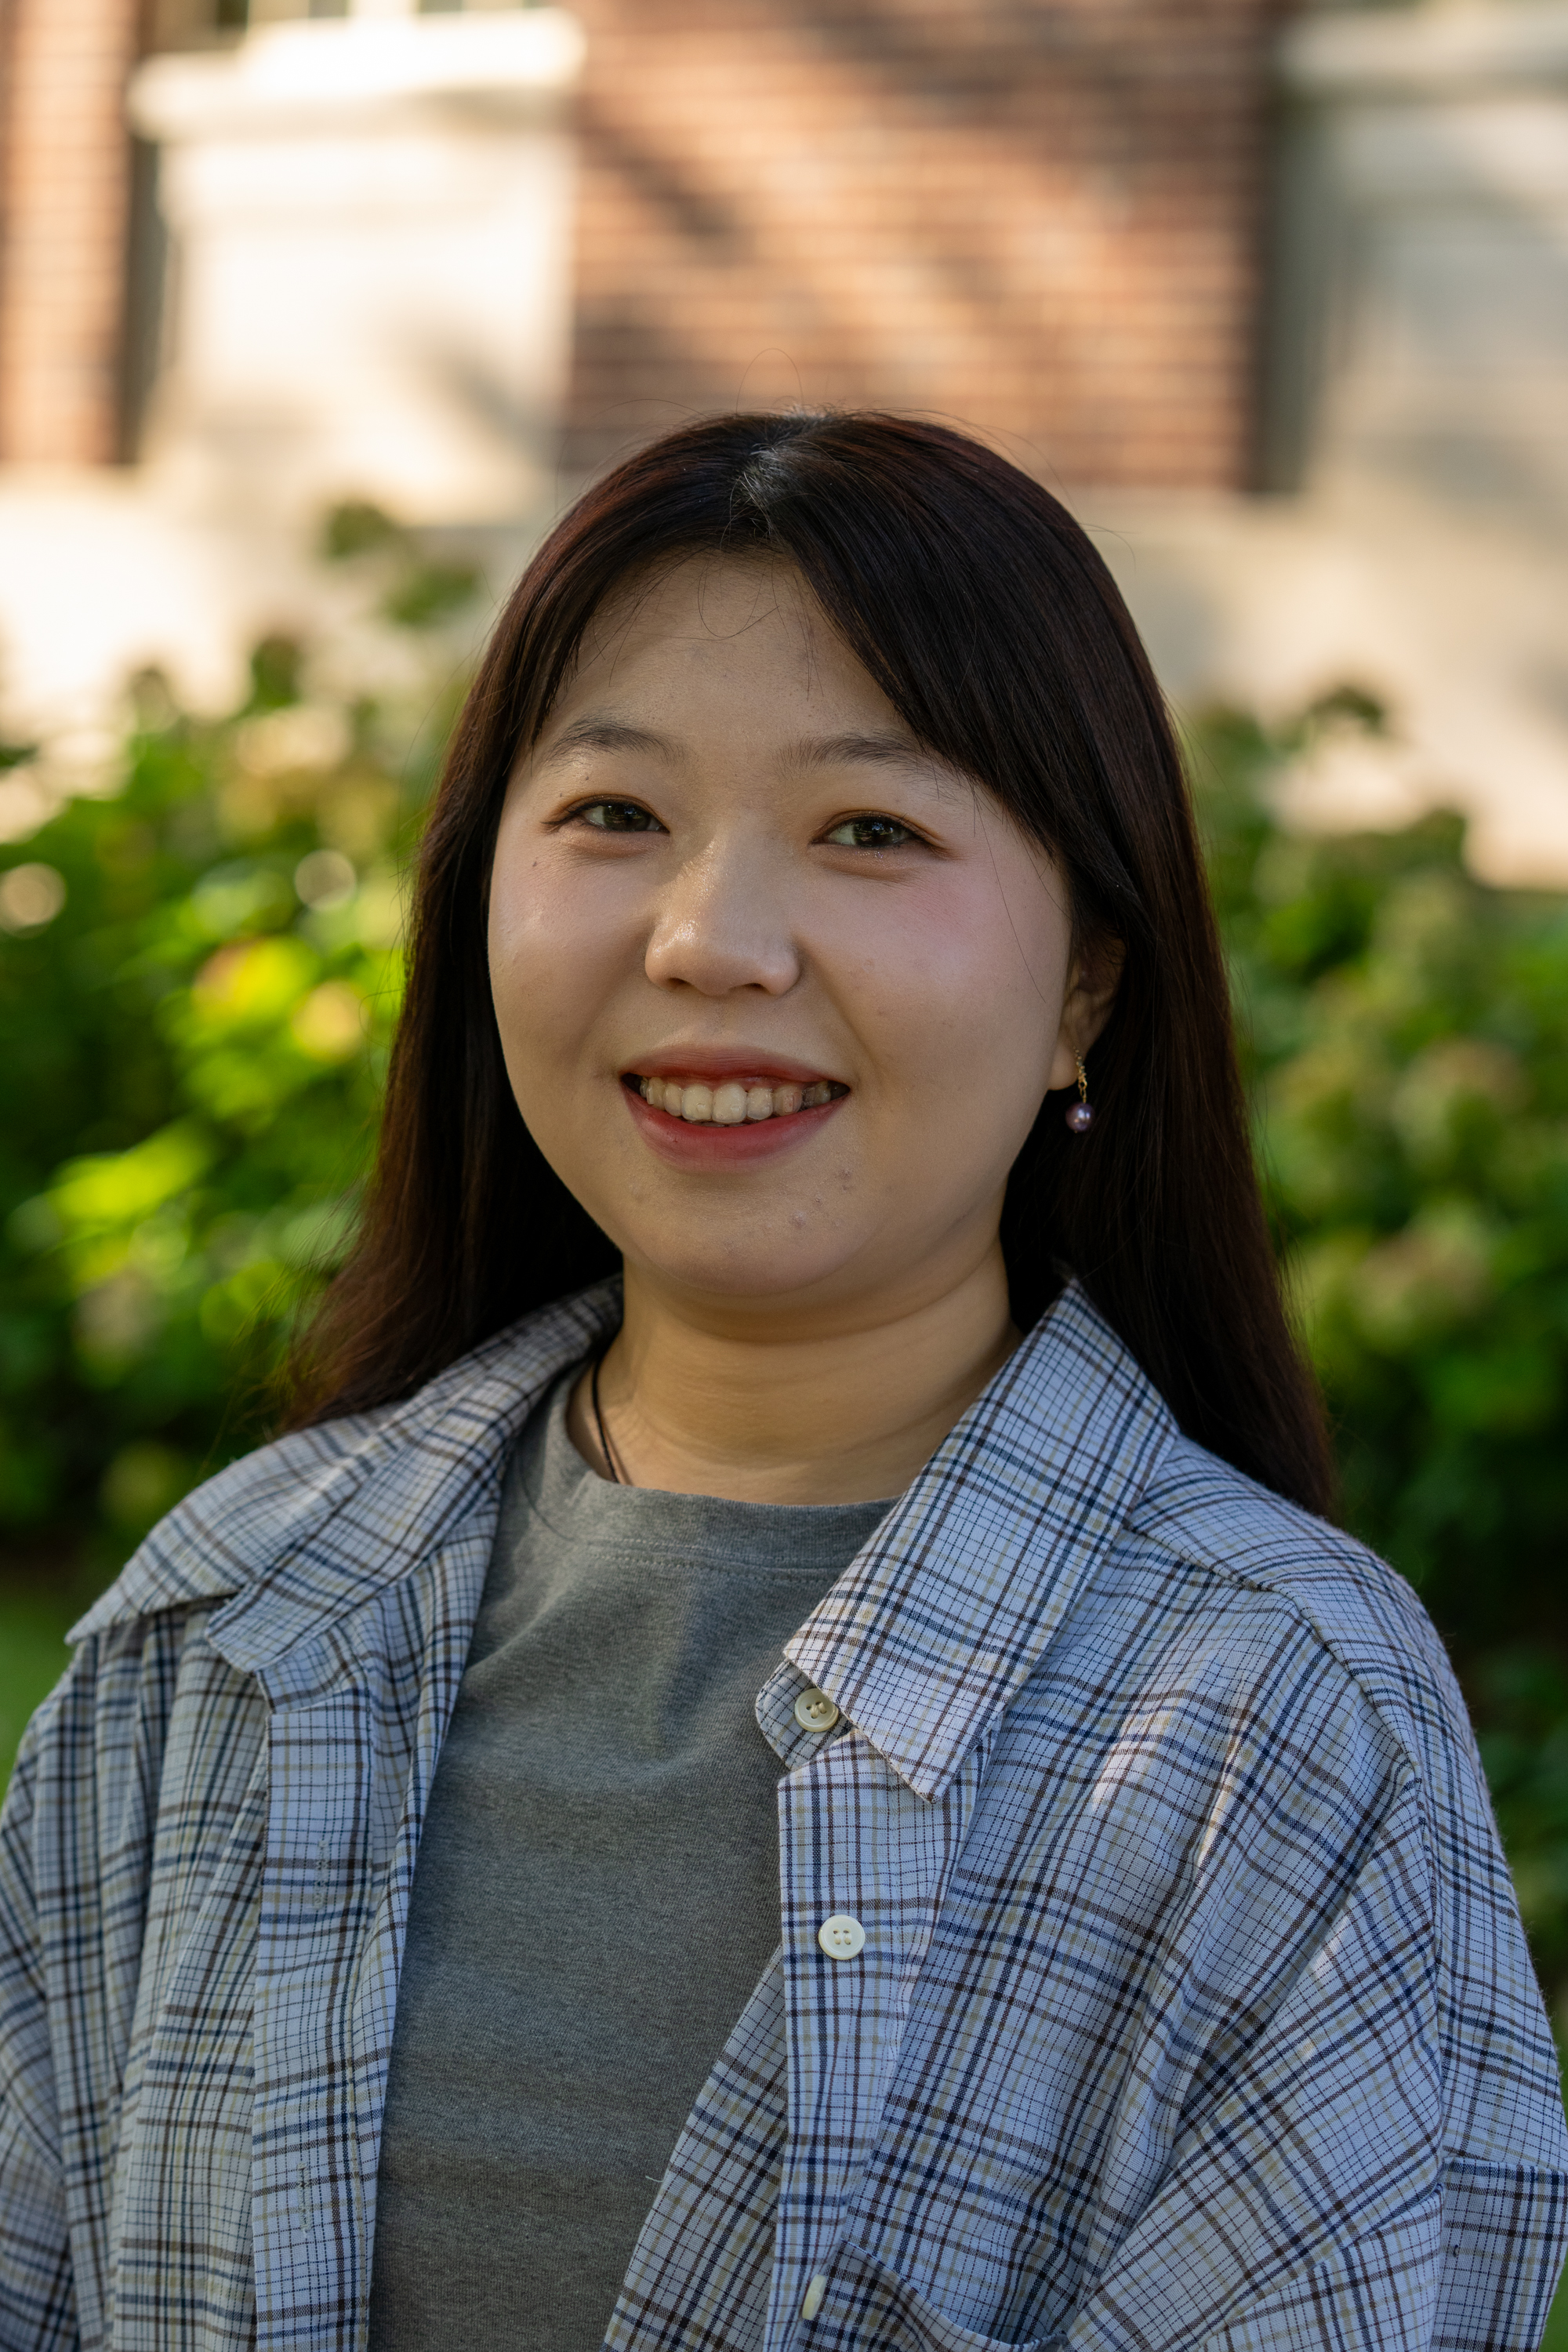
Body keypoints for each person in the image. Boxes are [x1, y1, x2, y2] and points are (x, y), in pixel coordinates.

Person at [2, 412, 1563, 2352]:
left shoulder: (1270, 1717)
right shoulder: (225, 1622)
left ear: (1085, 982)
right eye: (614, 815)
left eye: (870, 832)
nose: (709, 941)